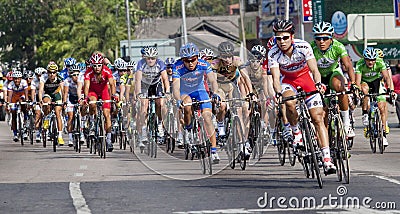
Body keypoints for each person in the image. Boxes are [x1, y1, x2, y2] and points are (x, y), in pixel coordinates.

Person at [268, 19, 336, 174]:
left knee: (318, 119)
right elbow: (275, 78)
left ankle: (327, 160)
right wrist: (278, 93)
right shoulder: (273, 53)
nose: (282, 42)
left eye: (285, 37)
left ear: (292, 36)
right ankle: (296, 132)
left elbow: (314, 70)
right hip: (288, 82)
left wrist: (318, 83)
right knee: (290, 103)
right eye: (278, 38)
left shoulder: (303, 46)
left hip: (306, 79)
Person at [172, 42, 220, 163]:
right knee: (187, 105)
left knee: (207, 117)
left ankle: (214, 151)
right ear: (182, 60)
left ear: (197, 58)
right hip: (185, 91)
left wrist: (214, 93)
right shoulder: (177, 67)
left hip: (200, 91)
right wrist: (178, 99)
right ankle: (188, 129)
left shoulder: (204, 64)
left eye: (193, 59)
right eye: (187, 61)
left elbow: (212, 80)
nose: (190, 63)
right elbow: (176, 87)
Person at [311, 21, 358, 138]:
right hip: (318, 77)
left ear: (331, 38)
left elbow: (348, 66)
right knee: (323, 113)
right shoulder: (311, 47)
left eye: (325, 38)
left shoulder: (338, 46)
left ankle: (346, 124)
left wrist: (353, 83)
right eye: (318, 38)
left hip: (333, 73)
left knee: (340, 87)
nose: (321, 41)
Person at [356, 47, 395, 147]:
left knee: (382, 107)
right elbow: (357, 81)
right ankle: (365, 114)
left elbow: (387, 77)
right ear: (364, 59)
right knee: (365, 90)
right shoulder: (360, 64)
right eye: (368, 60)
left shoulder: (380, 63)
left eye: (373, 60)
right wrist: (359, 90)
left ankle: (384, 135)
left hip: (376, 82)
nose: (371, 62)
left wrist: (390, 89)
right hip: (364, 82)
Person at [135, 46, 170, 147]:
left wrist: (167, 92)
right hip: (145, 85)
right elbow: (137, 80)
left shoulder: (160, 63)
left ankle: (159, 124)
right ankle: (144, 130)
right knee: (144, 106)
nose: (150, 60)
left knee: (161, 103)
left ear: (156, 58)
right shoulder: (141, 63)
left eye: (153, 58)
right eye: (148, 58)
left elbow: (165, 79)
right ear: (145, 58)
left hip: (156, 85)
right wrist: (138, 93)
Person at [83, 53, 117, 152]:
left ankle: (109, 140)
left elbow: (112, 84)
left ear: (102, 64)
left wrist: (114, 95)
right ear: (91, 65)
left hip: (104, 92)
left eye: (99, 65)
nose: (97, 68)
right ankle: (92, 123)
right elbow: (86, 86)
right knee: (92, 103)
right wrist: (86, 98)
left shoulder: (107, 70)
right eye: (94, 66)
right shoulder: (88, 72)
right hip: (93, 92)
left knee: (107, 115)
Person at [38, 61, 65, 145]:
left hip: (56, 94)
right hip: (47, 94)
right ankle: (46, 118)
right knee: (47, 103)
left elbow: (63, 90)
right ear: (47, 72)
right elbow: (41, 90)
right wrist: (40, 100)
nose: (52, 74)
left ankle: (60, 136)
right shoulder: (44, 77)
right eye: (50, 72)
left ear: (56, 72)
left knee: (57, 113)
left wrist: (64, 102)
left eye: (54, 72)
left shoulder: (60, 77)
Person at [63, 65, 85, 147]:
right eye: (74, 75)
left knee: (81, 113)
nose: (76, 77)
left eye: (77, 75)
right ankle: (70, 138)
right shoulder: (67, 81)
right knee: (70, 116)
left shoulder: (82, 80)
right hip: (71, 98)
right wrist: (64, 102)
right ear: (70, 75)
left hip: (80, 97)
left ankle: (82, 133)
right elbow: (65, 93)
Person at [7, 70, 29, 141]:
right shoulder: (11, 84)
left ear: (21, 78)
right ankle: (15, 133)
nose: (17, 80)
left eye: (18, 78)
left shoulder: (24, 82)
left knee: (24, 107)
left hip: (22, 96)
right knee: (13, 113)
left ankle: (25, 127)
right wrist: (9, 103)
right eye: (15, 79)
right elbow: (10, 95)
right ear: (13, 79)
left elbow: (26, 93)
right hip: (14, 97)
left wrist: (27, 101)